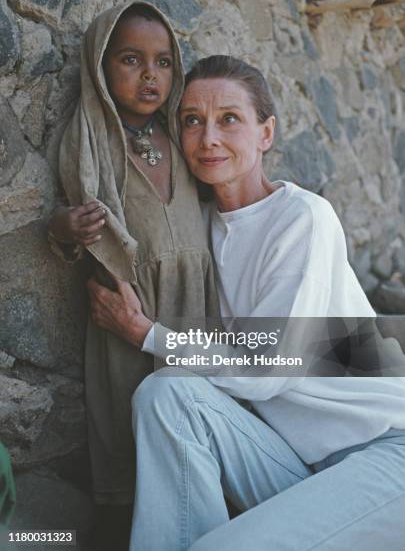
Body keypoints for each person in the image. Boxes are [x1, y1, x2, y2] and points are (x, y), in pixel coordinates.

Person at [88, 55, 405, 551]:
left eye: (229, 119)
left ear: (266, 133)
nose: (208, 137)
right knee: (164, 394)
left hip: (386, 454)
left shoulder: (303, 219)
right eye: (192, 120)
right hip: (299, 464)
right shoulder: (202, 229)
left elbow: (268, 369)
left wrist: (145, 333)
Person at [47, 2, 219, 549]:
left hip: (194, 306)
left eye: (165, 62)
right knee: (127, 436)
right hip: (129, 311)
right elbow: (70, 220)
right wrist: (65, 227)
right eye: (131, 59)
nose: (151, 76)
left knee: (198, 436)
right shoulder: (93, 141)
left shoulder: (182, 137)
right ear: (100, 66)